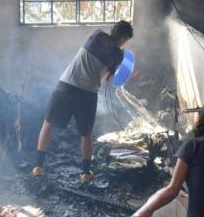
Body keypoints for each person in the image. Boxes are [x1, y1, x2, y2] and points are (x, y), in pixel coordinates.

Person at [32, 20, 132, 183]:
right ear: (124, 38)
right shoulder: (118, 54)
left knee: (48, 123)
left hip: (65, 86)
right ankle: (85, 173)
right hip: (87, 95)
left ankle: (38, 166)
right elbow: (108, 78)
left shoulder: (96, 35)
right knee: (85, 134)